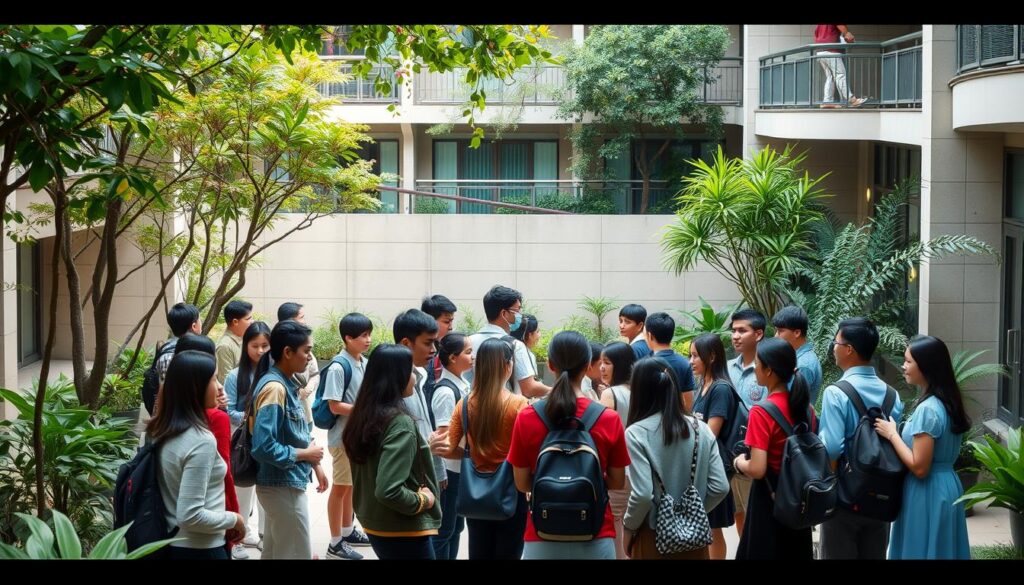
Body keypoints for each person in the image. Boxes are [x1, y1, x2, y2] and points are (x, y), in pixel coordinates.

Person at [507, 331, 630, 560]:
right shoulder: (607, 418)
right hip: (595, 534)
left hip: (541, 535)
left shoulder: (527, 417)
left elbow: (522, 484)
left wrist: (555, 485)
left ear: (550, 365)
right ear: (588, 365)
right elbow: (617, 481)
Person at [431, 337, 529, 559]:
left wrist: (471, 454)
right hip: (511, 490)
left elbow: (448, 448)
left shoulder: (466, 403)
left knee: (479, 550)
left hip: (475, 492)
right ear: (507, 366)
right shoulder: (519, 405)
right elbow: (527, 453)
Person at [622, 357, 730, 560]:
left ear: (638, 390)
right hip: (694, 540)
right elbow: (720, 487)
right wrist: (689, 515)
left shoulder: (635, 433)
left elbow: (643, 495)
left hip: (653, 538)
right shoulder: (702, 429)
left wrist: (628, 527)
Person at [874, 336, 971, 559]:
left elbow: (920, 467)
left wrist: (892, 434)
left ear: (926, 366)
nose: (903, 366)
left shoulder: (928, 410)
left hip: (927, 491)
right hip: (947, 485)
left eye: (908, 361)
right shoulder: (947, 402)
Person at [343, 344, 442, 560]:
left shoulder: (363, 415)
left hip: (376, 523)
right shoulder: (400, 423)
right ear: (397, 377)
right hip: (402, 528)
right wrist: (423, 500)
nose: (414, 377)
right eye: (411, 371)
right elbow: (388, 490)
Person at [818, 317, 904, 559]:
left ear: (849, 349)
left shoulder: (836, 393)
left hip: (845, 499)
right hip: (882, 496)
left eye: (836, 342)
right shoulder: (893, 396)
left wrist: (830, 489)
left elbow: (832, 448)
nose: (833, 348)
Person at [148, 350, 245, 560]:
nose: (220, 387)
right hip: (201, 548)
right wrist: (235, 519)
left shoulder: (163, 428)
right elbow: (190, 515)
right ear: (195, 387)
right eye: (214, 379)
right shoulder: (201, 441)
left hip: (171, 542)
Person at [732, 337, 817, 560]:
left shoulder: (761, 412)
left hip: (770, 500)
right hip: (799, 499)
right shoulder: (807, 409)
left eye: (757, 363)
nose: (754, 368)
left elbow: (758, 468)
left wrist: (739, 462)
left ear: (769, 370)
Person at [250, 320, 328, 559]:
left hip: (282, 484)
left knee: (275, 552)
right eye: (306, 351)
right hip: (281, 485)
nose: (310, 357)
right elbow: (263, 446)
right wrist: (305, 455)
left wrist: (315, 464)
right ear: (287, 352)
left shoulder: (284, 383)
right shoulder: (275, 388)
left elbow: (296, 434)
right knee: (295, 553)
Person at [323, 313, 374, 561]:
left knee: (350, 486)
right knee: (340, 488)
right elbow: (334, 405)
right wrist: (364, 410)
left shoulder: (362, 362)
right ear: (348, 338)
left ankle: (347, 531)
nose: (368, 339)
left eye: (369, 334)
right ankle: (335, 543)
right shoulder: (338, 366)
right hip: (343, 438)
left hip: (356, 437)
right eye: (363, 335)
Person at [223, 321, 272, 557]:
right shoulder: (235, 376)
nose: (260, 351)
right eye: (255, 346)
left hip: (268, 440)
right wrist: (252, 416)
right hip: (243, 442)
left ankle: (264, 535)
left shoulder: (275, 373)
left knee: (266, 489)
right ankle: (239, 539)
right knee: (242, 489)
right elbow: (229, 409)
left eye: (265, 345)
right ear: (245, 346)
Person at [688, 333, 737, 559]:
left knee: (713, 529)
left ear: (712, 356)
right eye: (690, 356)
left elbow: (710, 433)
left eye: (696, 356)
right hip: (701, 465)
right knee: (706, 526)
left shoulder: (720, 389)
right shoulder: (702, 385)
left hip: (714, 467)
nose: (691, 361)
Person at [427, 333, 473, 560]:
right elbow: (443, 440)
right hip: (449, 472)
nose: (473, 357)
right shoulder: (446, 392)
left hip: (459, 469)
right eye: (468, 352)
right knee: (444, 531)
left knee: (455, 528)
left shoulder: (462, 384)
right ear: (453, 358)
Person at [465, 285, 550, 398]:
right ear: (504, 313)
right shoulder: (515, 345)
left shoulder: (468, 342)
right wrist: (557, 390)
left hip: (472, 406)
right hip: (507, 407)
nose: (520, 315)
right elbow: (529, 389)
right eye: (517, 310)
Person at [727, 308, 767, 537]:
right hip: (729, 456)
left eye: (742, 331)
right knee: (738, 514)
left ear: (759, 334)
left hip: (756, 457)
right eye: (733, 331)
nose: (735, 336)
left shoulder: (768, 370)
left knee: (757, 520)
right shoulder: (726, 368)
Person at [598, 341, 636, 559]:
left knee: (616, 528)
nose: (602, 368)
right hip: (641, 471)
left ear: (620, 365)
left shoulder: (610, 394)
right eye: (601, 363)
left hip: (618, 471)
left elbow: (602, 437)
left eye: (608, 363)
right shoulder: (641, 391)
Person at [644, 311, 696, 410]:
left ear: (650, 335)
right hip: (677, 417)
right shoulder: (684, 363)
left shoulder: (644, 364)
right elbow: (688, 403)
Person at [771, 306, 823, 405]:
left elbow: (791, 404)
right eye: (776, 331)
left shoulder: (803, 365)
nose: (776, 336)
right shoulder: (795, 357)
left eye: (780, 331)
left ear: (797, 333)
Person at [814, 24, 868, 108]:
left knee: (830, 77)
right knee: (840, 75)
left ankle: (827, 101)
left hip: (820, 51)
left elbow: (816, 34)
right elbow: (847, 34)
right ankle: (852, 100)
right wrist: (848, 35)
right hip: (831, 51)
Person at [216, 300, 254, 384]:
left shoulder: (246, 337)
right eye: (248, 319)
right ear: (235, 322)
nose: (252, 321)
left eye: (252, 317)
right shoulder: (225, 346)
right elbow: (226, 382)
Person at [510, 313, 541, 379]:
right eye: (537, 331)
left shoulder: (509, 348)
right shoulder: (523, 353)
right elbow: (530, 384)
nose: (539, 335)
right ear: (530, 335)